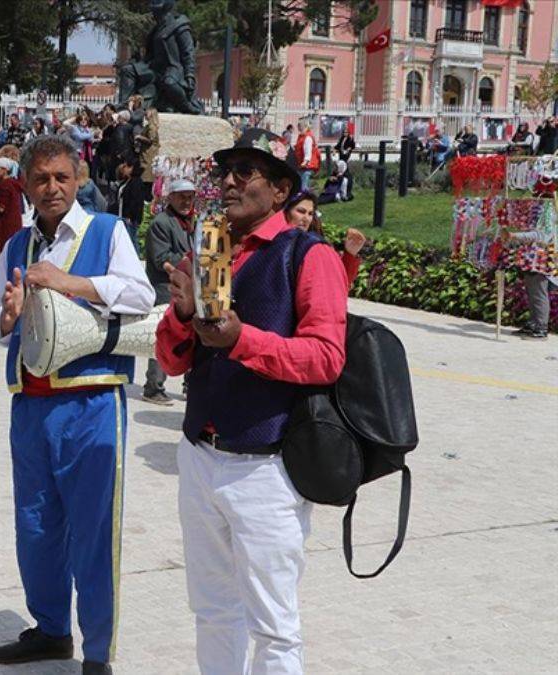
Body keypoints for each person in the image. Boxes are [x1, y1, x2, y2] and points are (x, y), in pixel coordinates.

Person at [156, 128, 348, 675]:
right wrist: (184, 315)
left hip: (267, 467)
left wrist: (242, 341)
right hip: (200, 455)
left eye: (247, 171)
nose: (230, 182)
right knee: (212, 611)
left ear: (282, 189)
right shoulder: (211, 249)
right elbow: (171, 360)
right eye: (226, 171)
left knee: (273, 624)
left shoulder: (308, 255)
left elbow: (326, 357)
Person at [0, 135, 155, 675]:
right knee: (35, 525)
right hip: (30, 406)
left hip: (91, 402)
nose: (52, 188)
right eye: (41, 179)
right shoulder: (16, 244)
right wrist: (6, 319)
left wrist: (71, 283)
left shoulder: (107, 231)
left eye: (61, 177)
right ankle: (51, 629)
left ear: (78, 179)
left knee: (93, 530)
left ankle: (97, 653)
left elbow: (142, 295)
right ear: (26, 185)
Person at [142, 178, 195, 406]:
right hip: (165, 287)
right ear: (170, 198)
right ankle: (153, 387)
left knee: (191, 335)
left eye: (190, 197)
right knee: (165, 335)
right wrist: (187, 262)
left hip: (186, 286)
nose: (186, 201)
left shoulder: (189, 222)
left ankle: (189, 384)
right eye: (182, 197)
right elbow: (161, 258)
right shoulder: (161, 223)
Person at [286, 190, 365, 287]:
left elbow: (336, 283)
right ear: (286, 212)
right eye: (301, 211)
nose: (306, 218)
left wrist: (350, 254)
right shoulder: (276, 241)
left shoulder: (317, 246)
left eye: (310, 214)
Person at [501, 229, 556, 340]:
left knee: (539, 295)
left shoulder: (547, 218)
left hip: (541, 260)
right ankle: (532, 325)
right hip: (531, 260)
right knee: (532, 295)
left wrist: (514, 235)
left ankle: (541, 329)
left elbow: (542, 235)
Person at [0, 157, 24, 264]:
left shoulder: (4, 185)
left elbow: (1, 207)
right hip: (15, 223)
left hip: (4, 224)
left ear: (4, 170)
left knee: (1, 255)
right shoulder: (14, 183)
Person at [294, 121, 319, 190]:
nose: (299, 130)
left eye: (300, 128)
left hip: (306, 166)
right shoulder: (301, 136)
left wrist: (305, 161)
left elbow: (308, 151)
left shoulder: (308, 137)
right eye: (299, 129)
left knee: (303, 187)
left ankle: (308, 193)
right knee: (300, 185)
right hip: (301, 165)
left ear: (305, 127)